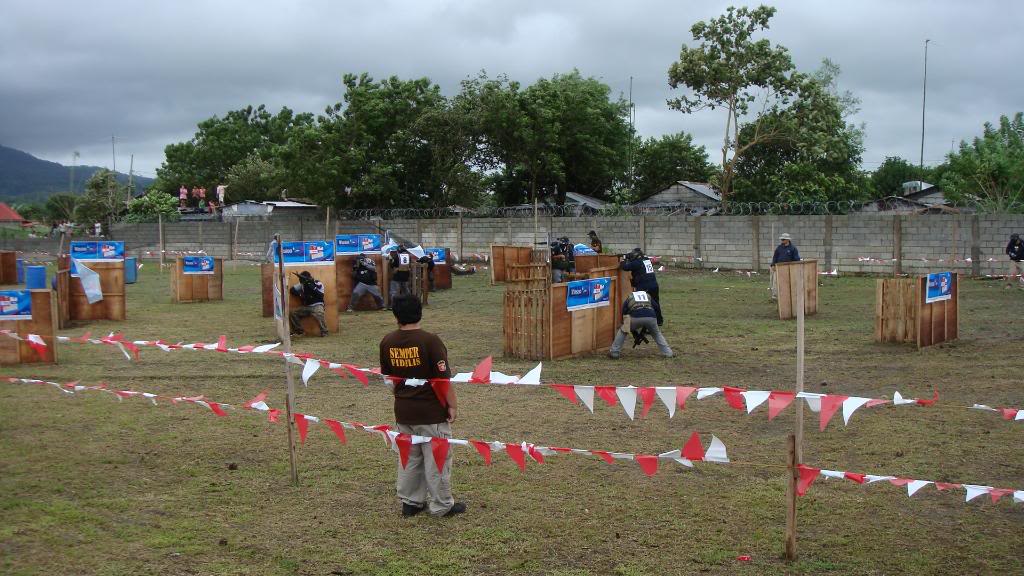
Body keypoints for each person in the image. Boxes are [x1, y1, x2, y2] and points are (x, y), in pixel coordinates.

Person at [379, 295, 465, 518]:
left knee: (409, 458)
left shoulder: (387, 342)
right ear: (420, 312)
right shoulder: (430, 341)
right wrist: (452, 405)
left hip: (403, 412)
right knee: (437, 459)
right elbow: (442, 380)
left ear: (396, 316)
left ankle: (411, 502)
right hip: (431, 413)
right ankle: (441, 505)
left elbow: (389, 379)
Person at [608, 290, 673, 359]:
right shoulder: (648, 296)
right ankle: (668, 353)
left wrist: (626, 324)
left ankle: (614, 352)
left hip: (635, 316)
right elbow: (656, 307)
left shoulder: (630, 296)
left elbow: (624, 310)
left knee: (623, 331)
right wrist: (657, 320)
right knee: (657, 334)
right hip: (651, 316)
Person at [620, 248, 662, 325]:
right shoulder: (646, 260)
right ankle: (659, 321)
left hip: (645, 286)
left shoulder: (637, 263)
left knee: (643, 305)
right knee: (656, 303)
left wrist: (623, 260)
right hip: (654, 285)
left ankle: (646, 322)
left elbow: (625, 267)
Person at [288, 271, 328, 336]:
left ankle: (324, 331)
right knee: (293, 313)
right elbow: (292, 290)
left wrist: (310, 285)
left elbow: (320, 295)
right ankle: (299, 331)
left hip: (317, 305)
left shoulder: (317, 283)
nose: (300, 280)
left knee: (319, 314)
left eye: (301, 278)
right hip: (307, 307)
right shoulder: (302, 284)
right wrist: (301, 295)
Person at [770, 233, 800, 301]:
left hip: (788, 268)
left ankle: (788, 296)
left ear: (787, 240)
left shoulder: (793, 248)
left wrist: (794, 267)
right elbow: (775, 257)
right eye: (781, 239)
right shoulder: (779, 248)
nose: (782, 240)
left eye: (783, 239)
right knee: (775, 282)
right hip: (778, 267)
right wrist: (773, 265)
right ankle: (775, 297)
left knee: (787, 282)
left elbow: (796, 259)